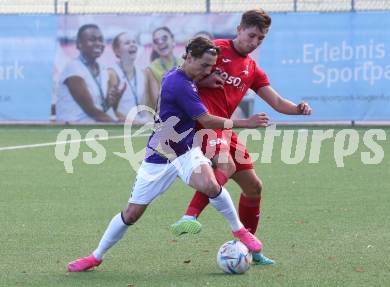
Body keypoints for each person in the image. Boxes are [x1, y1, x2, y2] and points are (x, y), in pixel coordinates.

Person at [67, 36, 270, 272]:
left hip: (186, 151)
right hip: (161, 154)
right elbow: (205, 119)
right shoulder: (180, 84)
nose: (208, 70)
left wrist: (204, 80)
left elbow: (189, 84)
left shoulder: (183, 75)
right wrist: (246, 122)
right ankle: (96, 256)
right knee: (131, 214)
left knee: (211, 185)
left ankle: (239, 230)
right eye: (204, 65)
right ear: (189, 57)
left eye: (211, 67)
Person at [170, 9, 312, 265]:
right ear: (239, 30)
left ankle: (250, 248)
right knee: (225, 164)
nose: (255, 42)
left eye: (261, 38)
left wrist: (297, 109)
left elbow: (277, 101)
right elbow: (179, 77)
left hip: (225, 128)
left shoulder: (252, 69)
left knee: (253, 187)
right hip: (202, 124)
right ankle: (189, 216)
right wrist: (204, 81)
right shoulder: (217, 50)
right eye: (251, 35)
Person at [56, 24, 123, 123]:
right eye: (92, 40)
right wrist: (116, 124)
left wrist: (113, 100)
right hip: (71, 131)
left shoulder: (103, 70)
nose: (98, 43)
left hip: (94, 129)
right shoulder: (73, 68)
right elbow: (92, 110)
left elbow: (103, 108)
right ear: (79, 44)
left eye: (101, 40)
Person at [108, 32, 150, 123]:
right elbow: (111, 110)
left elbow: (143, 107)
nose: (132, 45)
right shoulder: (112, 73)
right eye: (127, 43)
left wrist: (149, 121)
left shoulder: (142, 73)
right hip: (120, 125)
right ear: (117, 50)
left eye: (134, 42)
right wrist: (133, 122)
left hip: (138, 124)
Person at [145, 26, 184, 112]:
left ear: (173, 41)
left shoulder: (184, 63)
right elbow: (157, 104)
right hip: (164, 119)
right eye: (156, 41)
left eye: (164, 38)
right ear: (154, 47)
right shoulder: (151, 69)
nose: (160, 42)